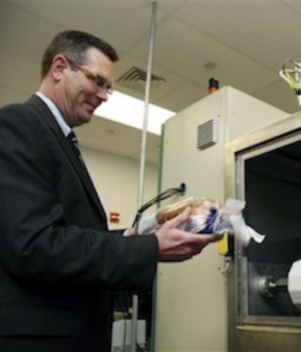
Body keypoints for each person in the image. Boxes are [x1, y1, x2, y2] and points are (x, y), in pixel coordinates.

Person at [0, 30, 219, 352]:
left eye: (108, 88)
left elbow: (71, 234)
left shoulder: (60, 140)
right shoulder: (19, 123)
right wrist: (150, 249)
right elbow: (36, 245)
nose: (104, 95)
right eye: (97, 81)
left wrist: (139, 235)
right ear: (59, 68)